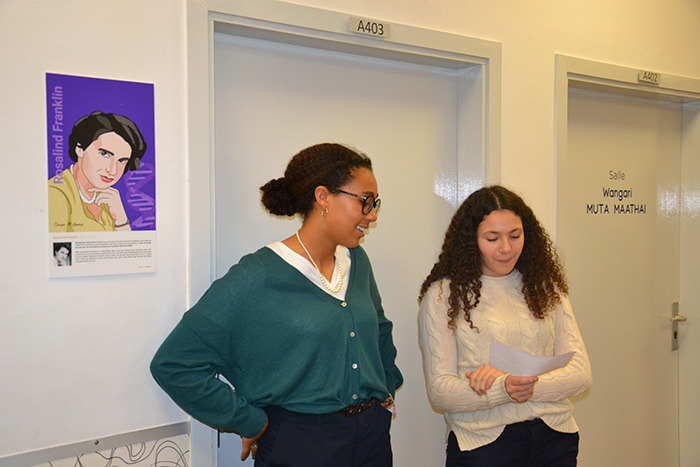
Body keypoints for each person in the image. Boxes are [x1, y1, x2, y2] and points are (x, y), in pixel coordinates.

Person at [151, 143, 403, 466]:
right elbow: (175, 363)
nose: (372, 214)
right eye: (365, 201)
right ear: (323, 197)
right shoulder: (258, 274)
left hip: (371, 438)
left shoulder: (357, 261)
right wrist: (248, 420)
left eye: (375, 203)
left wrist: (386, 390)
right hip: (301, 444)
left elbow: (379, 330)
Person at [417, 185, 592, 467]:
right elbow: (440, 391)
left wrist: (520, 385)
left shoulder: (546, 287)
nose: (506, 248)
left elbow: (581, 375)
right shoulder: (442, 296)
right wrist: (504, 389)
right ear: (471, 240)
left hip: (555, 436)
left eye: (515, 235)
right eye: (492, 238)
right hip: (483, 444)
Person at [48, 111, 147, 232]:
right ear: (80, 149)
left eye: (122, 160)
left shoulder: (109, 198)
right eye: (104, 154)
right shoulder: (56, 193)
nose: (112, 170)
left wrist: (121, 220)